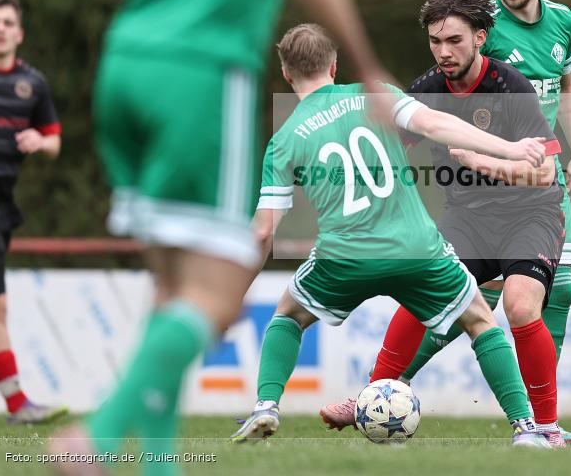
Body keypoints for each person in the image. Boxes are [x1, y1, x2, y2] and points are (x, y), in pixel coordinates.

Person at [51, 0, 397, 471]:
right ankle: (99, 436)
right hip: (203, 76)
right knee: (214, 299)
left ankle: (159, 463)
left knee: (172, 292)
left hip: (125, 65)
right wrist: (368, 71)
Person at [230, 23, 551, 448]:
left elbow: (264, 231)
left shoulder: (284, 139)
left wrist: (231, 299)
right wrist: (509, 148)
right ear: (334, 65)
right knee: (480, 320)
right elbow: (436, 124)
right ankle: (526, 429)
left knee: (288, 316)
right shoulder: (374, 94)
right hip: (417, 249)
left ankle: (266, 406)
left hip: (343, 257)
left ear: (287, 75)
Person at [321, 0, 569, 447]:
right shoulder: (426, 90)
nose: (443, 52)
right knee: (419, 289)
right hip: (467, 219)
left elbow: (544, 174)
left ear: (480, 37)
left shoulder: (509, 86)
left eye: (454, 40)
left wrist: (484, 163)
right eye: (435, 41)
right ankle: (369, 400)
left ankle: (547, 427)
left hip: (529, 215)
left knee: (518, 306)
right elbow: (387, 153)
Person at [392, 0, 571, 444]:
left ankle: (543, 416)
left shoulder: (564, 21)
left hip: (540, 174)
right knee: (472, 297)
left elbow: (568, 90)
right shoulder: (485, 28)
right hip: (485, 186)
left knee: (553, 292)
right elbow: (447, 89)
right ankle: (393, 388)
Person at [0, 0, 66, 425]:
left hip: (2, 206)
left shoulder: (32, 85)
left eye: (6, 22)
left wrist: (40, 141)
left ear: (19, 33)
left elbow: (55, 140)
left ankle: (17, 403)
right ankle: (18, 404)